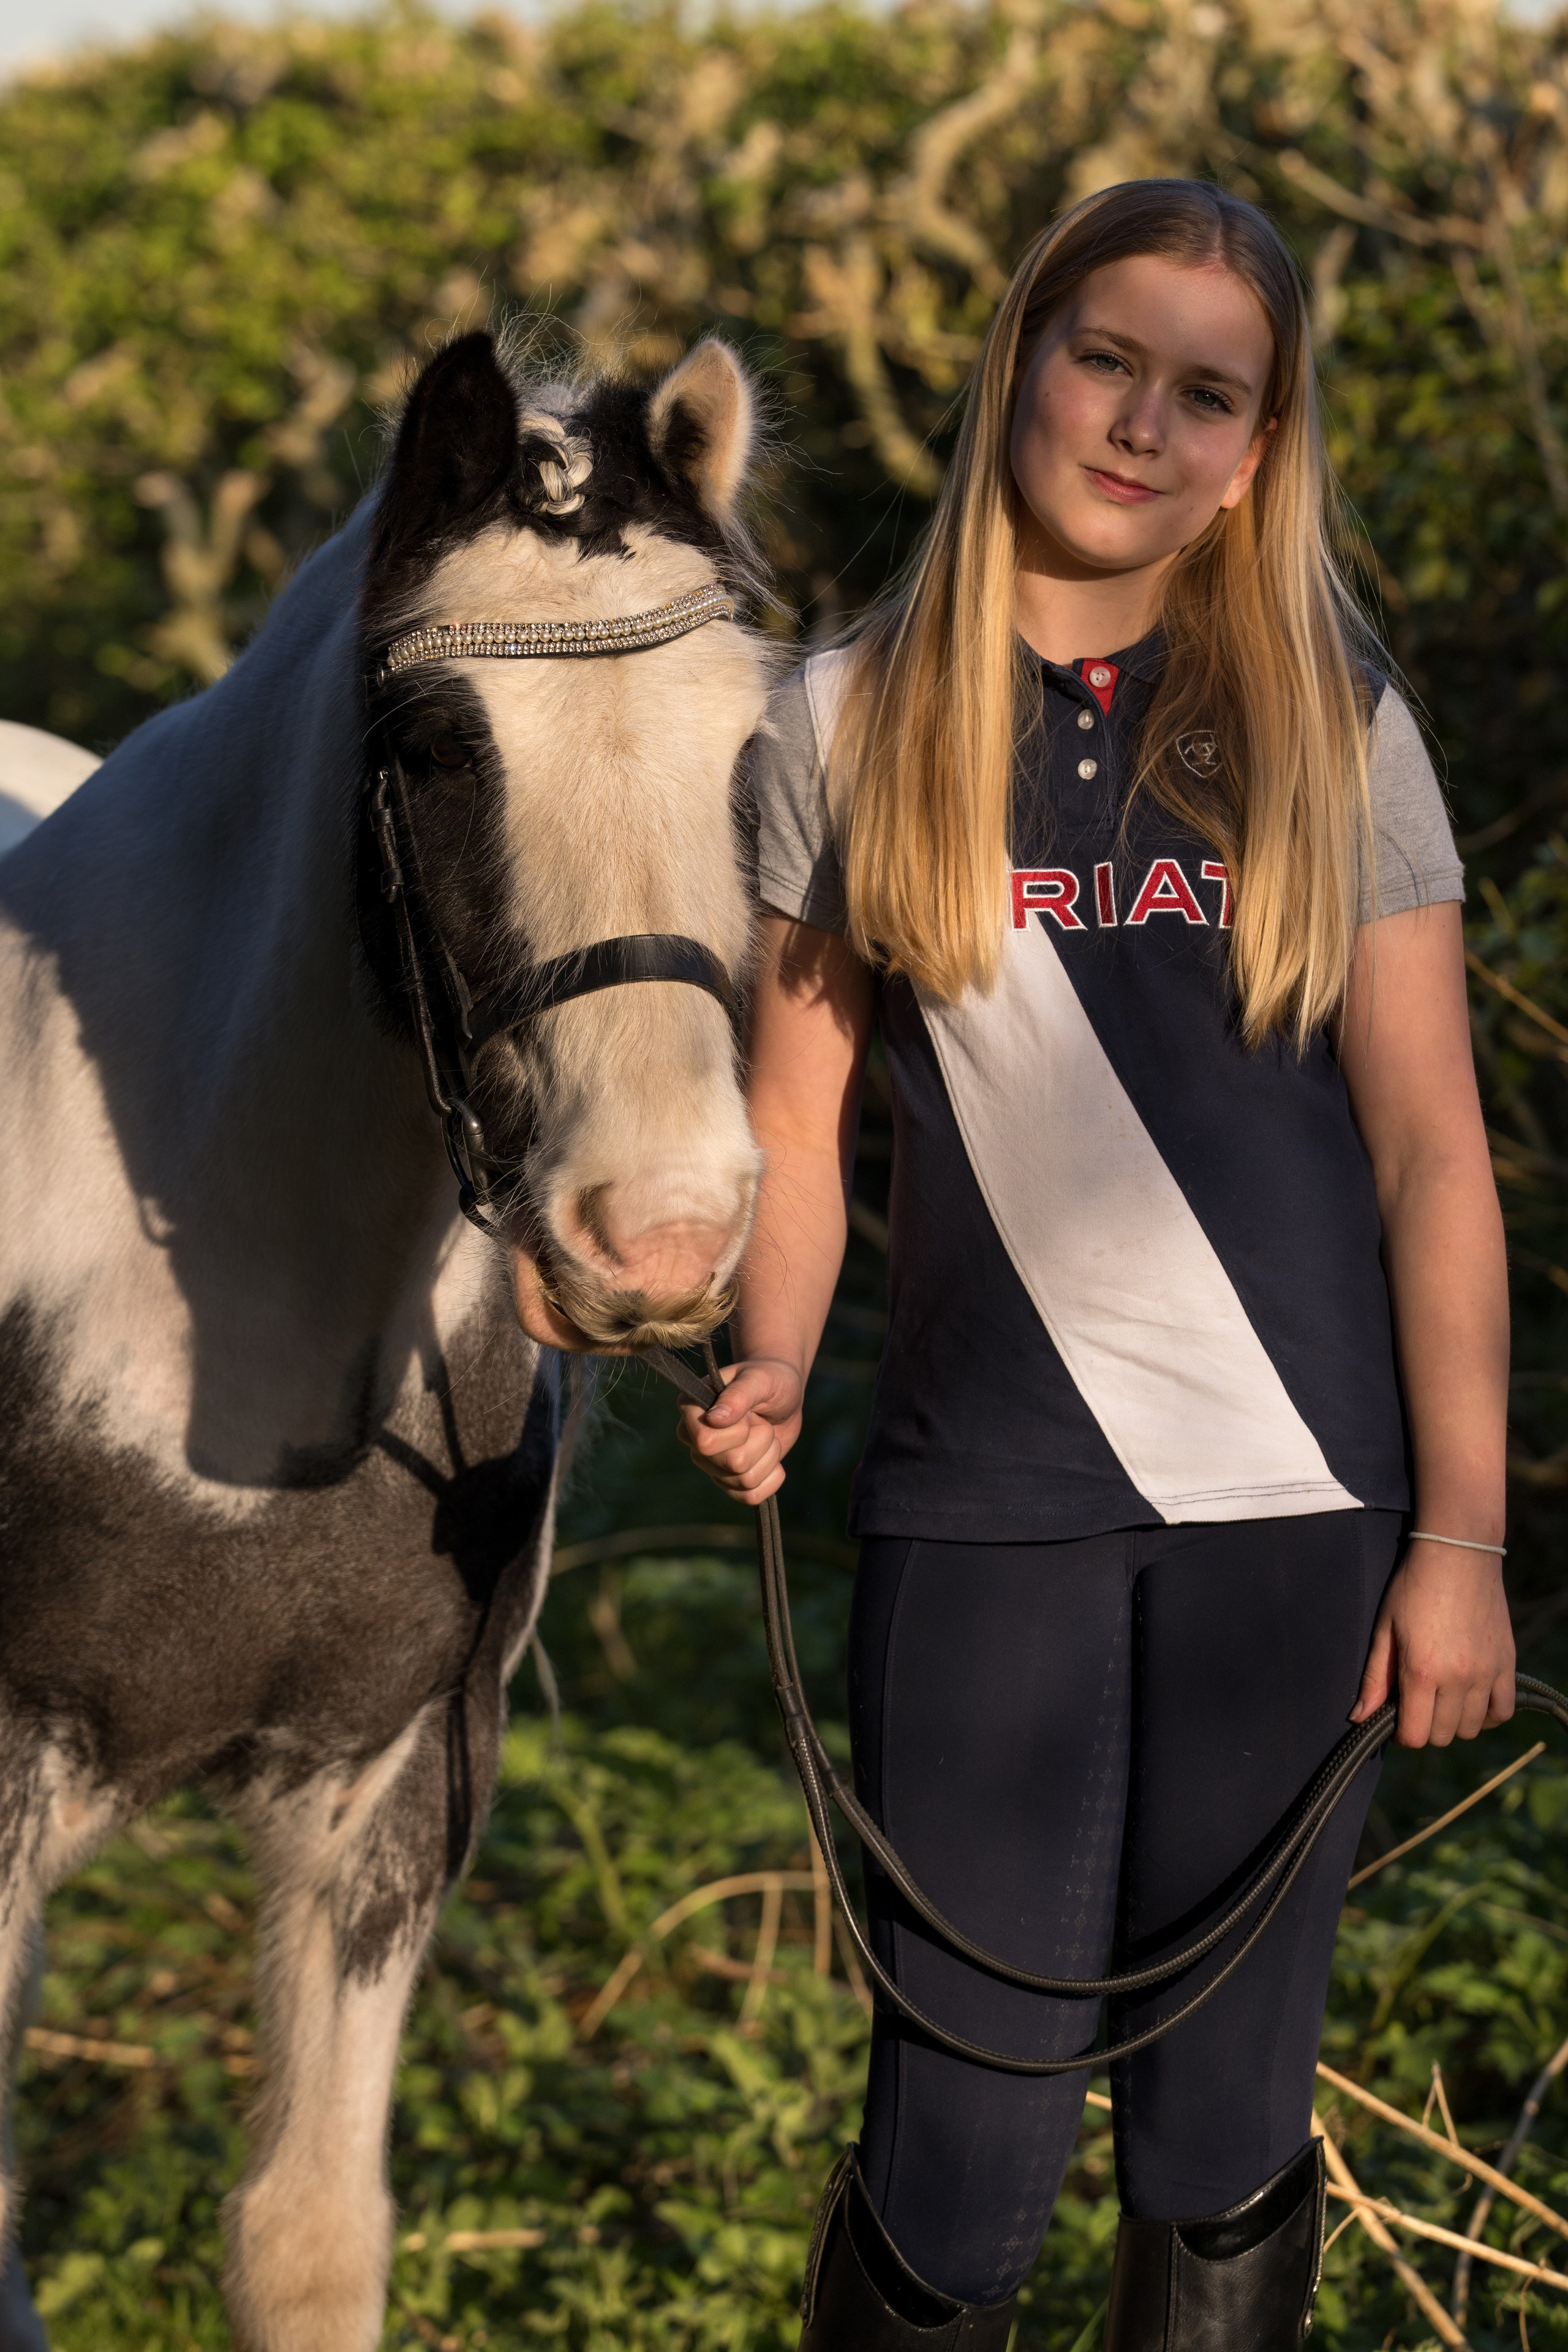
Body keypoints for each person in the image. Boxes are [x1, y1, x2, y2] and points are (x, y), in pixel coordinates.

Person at [665, 179, 1515, 2350]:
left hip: (1298, 1516)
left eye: (1208, 393)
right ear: (1022, 358)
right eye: (1108, 358)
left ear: (1260, 445)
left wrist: (1467, 1537)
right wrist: (770, 1356)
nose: (1145, 423)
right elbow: (792, 1121)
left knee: (1224, 2136)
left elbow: (1432, 1151)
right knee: (964, 2142)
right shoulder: (839, 717)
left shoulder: (1325, 712)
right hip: (985, 1512)